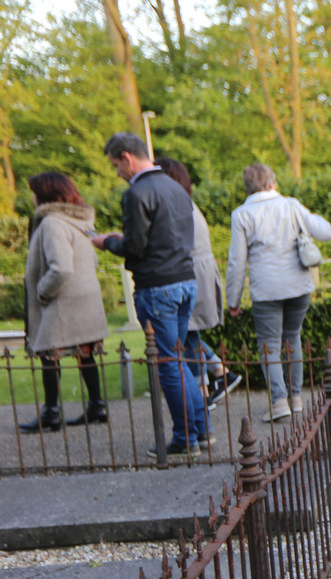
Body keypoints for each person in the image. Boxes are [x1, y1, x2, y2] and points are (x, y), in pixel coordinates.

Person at [91, 132, 207, 459]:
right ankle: (201, 430)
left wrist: (107, 242)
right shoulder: (175, 186)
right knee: (179, 359)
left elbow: (136, 247)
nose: (117, 172)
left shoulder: (137, 192)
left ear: (127, 157)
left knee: (168, 363)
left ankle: (185, 438)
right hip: (185, 280)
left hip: (157, 285)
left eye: (116, 165)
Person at [226, 163, 331, 421]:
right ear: (273, 183)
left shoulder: (241, 214)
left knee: (269, 346)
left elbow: (237, 261)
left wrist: (233, 300)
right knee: (292, 338)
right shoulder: (291, 205)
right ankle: (296, 398)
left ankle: (279, 402)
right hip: (298, 285)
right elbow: (326, 233)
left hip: (266, 290)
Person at [20, 173, 109, 432]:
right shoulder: (80, 221)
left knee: (48, 353)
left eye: (34, 192)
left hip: (61, 300)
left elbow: (61, 268)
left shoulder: (52, 222)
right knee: (85, 352)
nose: (32, 197)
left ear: (45, 195)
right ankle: (97, 406)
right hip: (86, 299)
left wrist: (43, 292)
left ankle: (51, 412)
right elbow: (93, 260)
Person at [155, 157, 240, 424]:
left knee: (185, 335)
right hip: (198, 272)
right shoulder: (188, 203)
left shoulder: (176, 207)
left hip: (189, 274)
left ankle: (208, 386)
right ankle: (215, 378)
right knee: (190, 334)